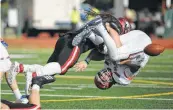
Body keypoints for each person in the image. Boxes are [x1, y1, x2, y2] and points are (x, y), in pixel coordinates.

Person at [7, 14, 130, 96]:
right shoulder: (110, 30)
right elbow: (101, 44)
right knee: (62, 68)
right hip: (75, 44)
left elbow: (98, 49)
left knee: (50, 70)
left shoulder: (104, 25)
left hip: (66, 39)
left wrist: (87, 60)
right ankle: (29, 72)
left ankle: (23, 69)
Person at [74, 21, 164, 89]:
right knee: (116, 56)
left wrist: (86, 61)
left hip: (136, 37)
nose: (103, 75)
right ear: (108, 83)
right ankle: (100, 27)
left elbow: (99, 52)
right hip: (142, 48)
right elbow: (134, 66)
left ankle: (90, 33)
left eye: (100, 75)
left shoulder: (108, 66)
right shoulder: (121, 79)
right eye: (103, 78)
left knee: (106, 50)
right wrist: (123, 60)